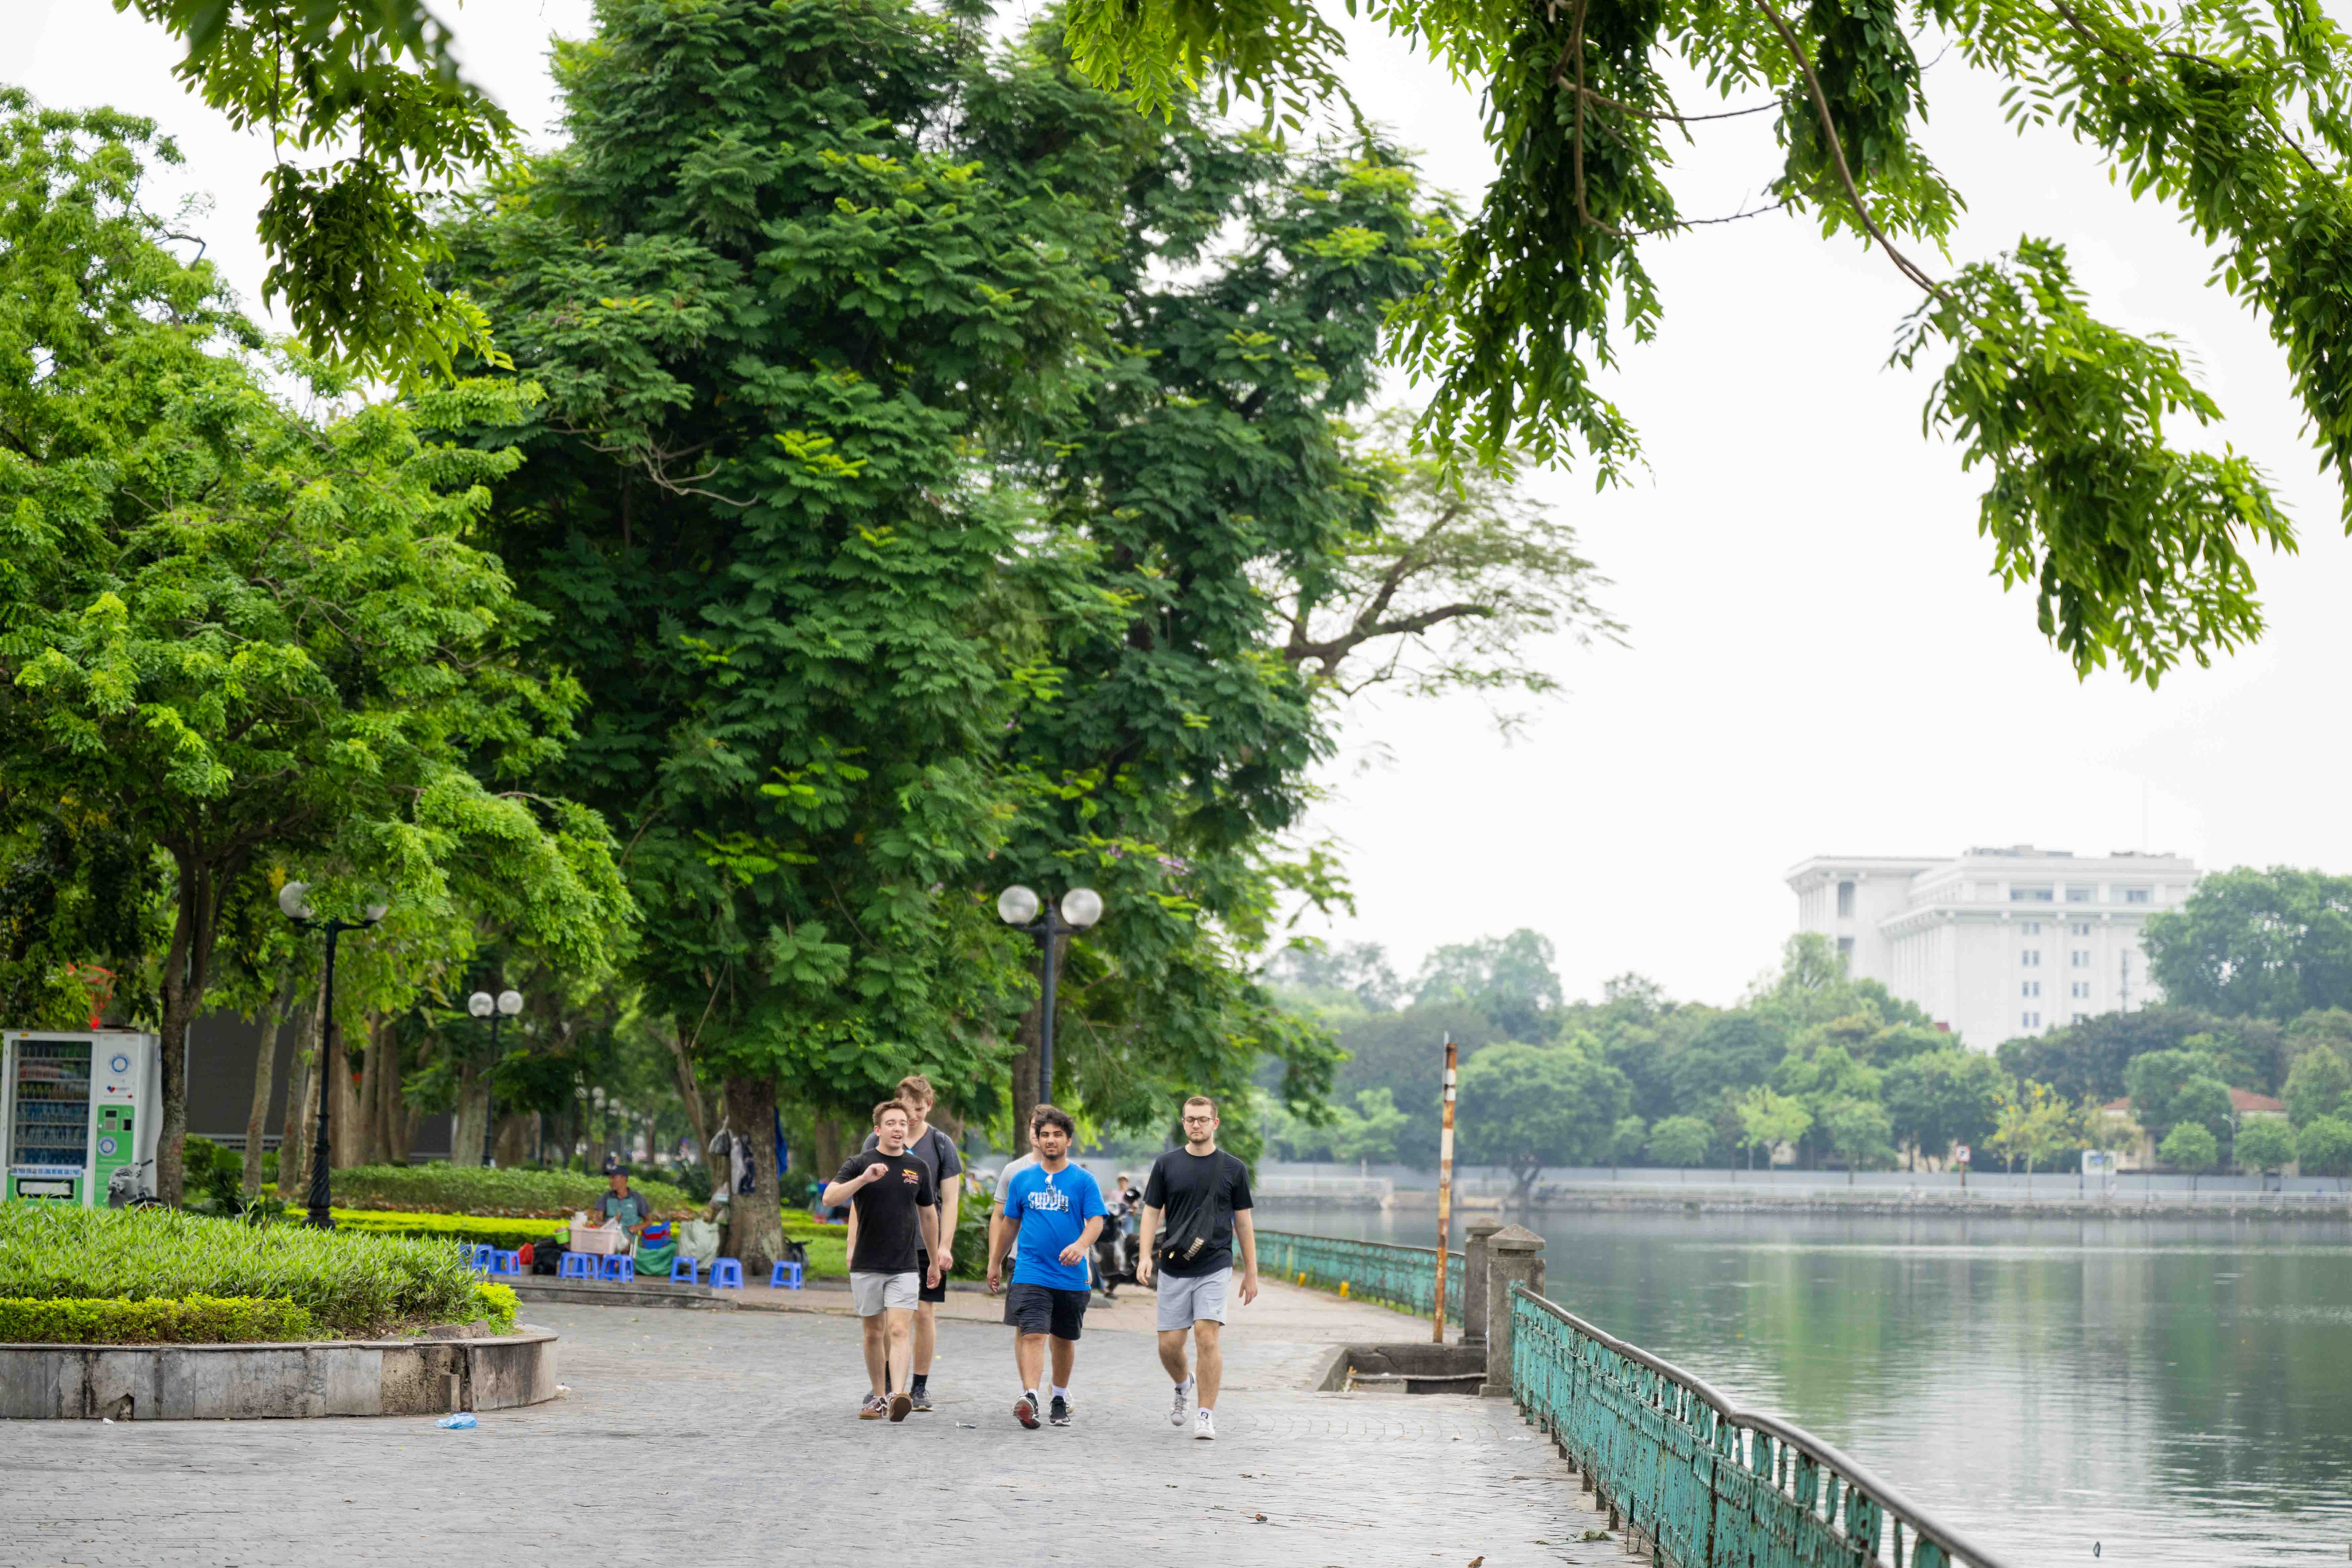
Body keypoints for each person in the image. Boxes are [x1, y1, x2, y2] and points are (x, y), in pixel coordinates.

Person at [1136, 1095, 1258, 1442]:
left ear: (1215, 1123)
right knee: (1170, 1346)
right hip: (1174, 1264)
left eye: (1203, 1119)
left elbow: (1244, 1222)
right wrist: (1145, 1255)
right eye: (1190, 1119)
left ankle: (1205, 1414)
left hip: (1216, 1262)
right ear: (1183, 1122)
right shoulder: (1166, 1164)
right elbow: (1150, 1212)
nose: (1196, 1125)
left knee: (1207, 1334)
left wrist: (1251, 1270)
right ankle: (1182, 1383)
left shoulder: (1234, 1168)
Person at [822, 1100, 942, 1422]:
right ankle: (878, 1395)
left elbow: (929, 1216)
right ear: (878, 1130)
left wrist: (933, 1260)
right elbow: (829, 1198)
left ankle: (897, 1395)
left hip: (904, 1265)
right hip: (867, 1264)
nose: (899, 1128)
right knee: (874, 1333)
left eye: (903, 1123)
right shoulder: (859, 1162)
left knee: (900, 1328)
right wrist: (863, 1179)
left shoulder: (918, 1168)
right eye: (891, 1123)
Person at [987, 1105, 1106, 1430]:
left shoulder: (1084, 1180)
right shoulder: (1022, 1179)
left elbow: (1097, 1221)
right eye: (1045, 1135)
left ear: (1068, 1140)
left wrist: (1082, 1246)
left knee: (1064, 1339)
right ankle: (1030, 1397)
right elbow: (1009, 1224)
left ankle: (1059, 1396)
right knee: (1033, 1333)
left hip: (1071, 1275)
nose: (1050, 1140)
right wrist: (996, 1262)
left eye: (1057, 1135)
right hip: (1030, 1271)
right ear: (1037, 1139)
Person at [854, 1074, 964, 1411]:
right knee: (887, 1319)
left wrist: (944, 1246)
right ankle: (885, 1383)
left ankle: (919, 1386)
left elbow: (950, 1200)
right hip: (883, 1241)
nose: (913, 1116)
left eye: (919, 1109)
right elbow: (860, 1197)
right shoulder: (876, 1142)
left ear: (929, 1106)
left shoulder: (941, 1144)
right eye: (907, 1109)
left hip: (923, 1243)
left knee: (924, 1312)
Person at [597, 1158, 655, 1239]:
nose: (611, 1181)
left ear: (624, 1179)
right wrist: (608, 1225)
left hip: (629, 1242)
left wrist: (636, 1228)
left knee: (627, 1244)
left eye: (614, 1178)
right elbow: (597, 1219)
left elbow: (649, 1222)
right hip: (609, 1240)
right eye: (610, 1178)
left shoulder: (637, 1198)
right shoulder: (606, 1197)